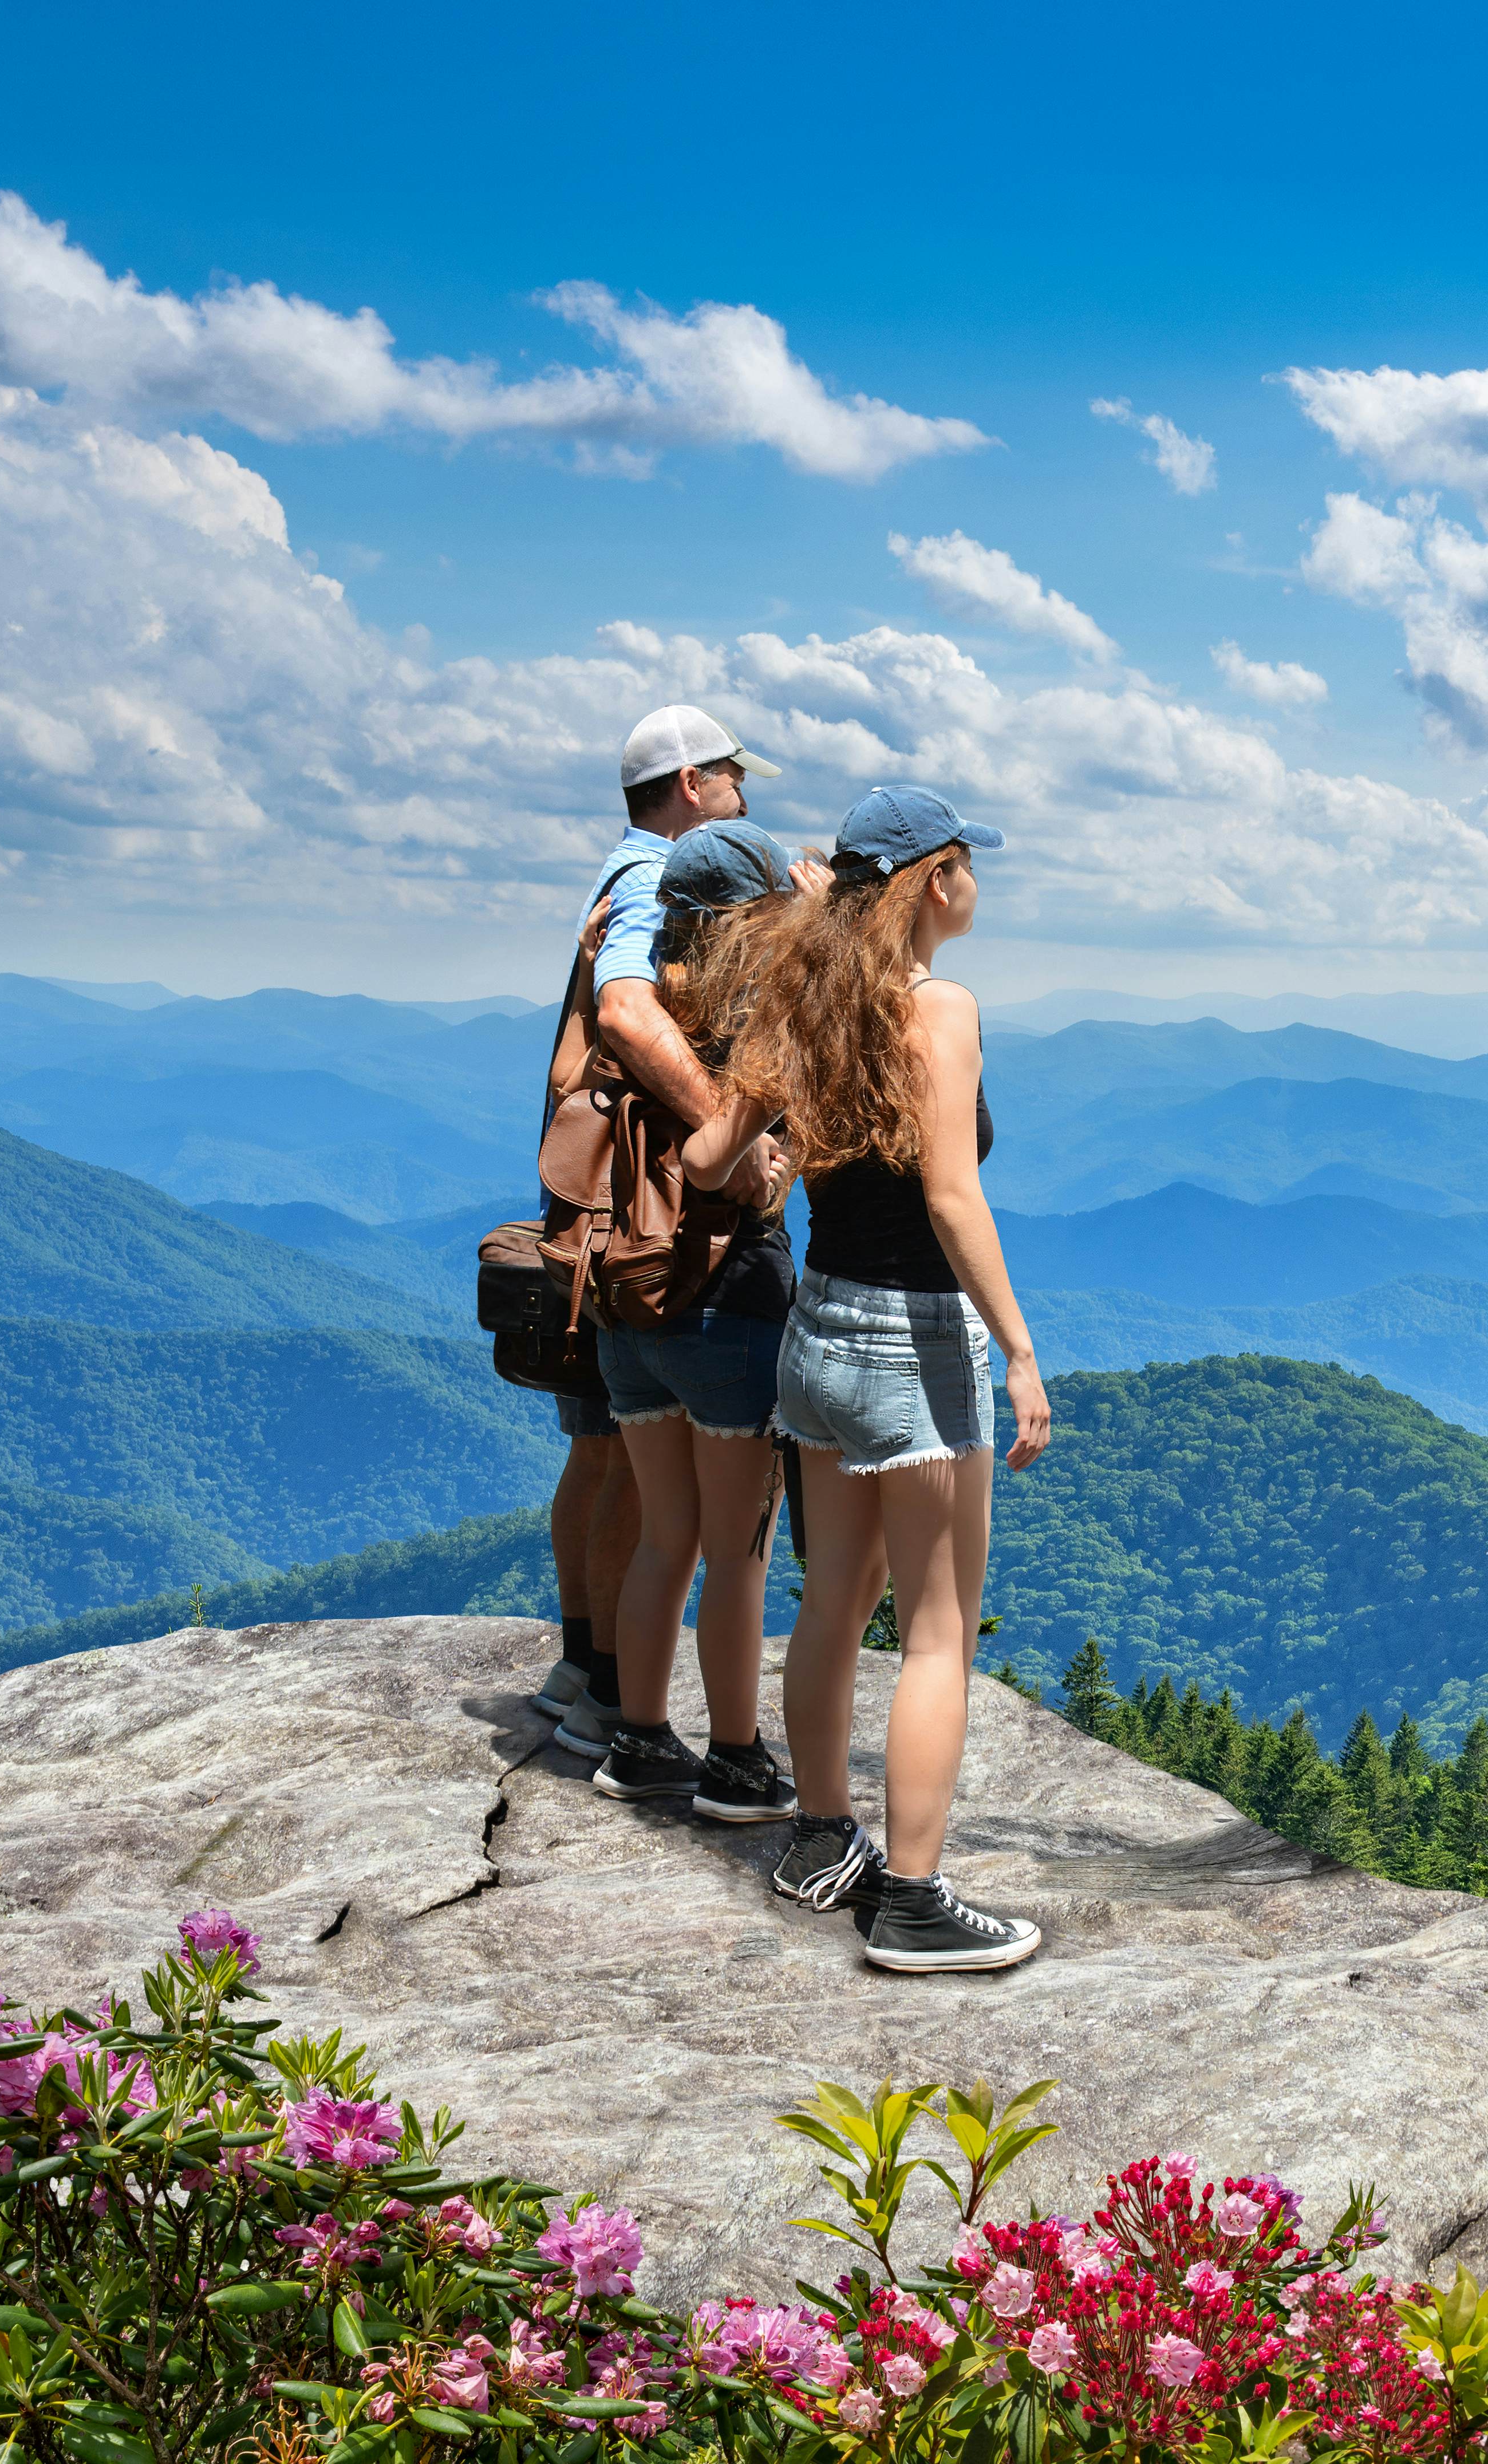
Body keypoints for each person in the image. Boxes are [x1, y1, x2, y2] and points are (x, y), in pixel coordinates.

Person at [687, 783, 1050, 1973]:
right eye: (967, 865)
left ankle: (818, 1836)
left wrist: (779, 1147)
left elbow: (703, 1156)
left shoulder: (800, 996)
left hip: (818, 1332)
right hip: (914, 1342)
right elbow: (951, 1194)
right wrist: (1020, 1348)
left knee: (831, 1602)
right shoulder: (940, 1009)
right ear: (934, 877)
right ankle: (913, 1900)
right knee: (938, 1632)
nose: (976, 885)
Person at [544, 704, 782, 1760]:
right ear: (690, 783)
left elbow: (597, 1039)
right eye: (733, 776)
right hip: (677, 1236)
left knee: (613, 1459)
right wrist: (731, 1138)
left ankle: (595, 1680)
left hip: (598, 1222)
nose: (744, 792)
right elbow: (634, 1015)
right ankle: (654, 1716)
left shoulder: (611, 876)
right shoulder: (656, 880)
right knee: (687, 1512)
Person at [585, 818, 808, 1818]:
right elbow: (759, 1173)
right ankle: (735, 1759)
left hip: (627, 1298)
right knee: (736, 1551)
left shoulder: (638, 1007)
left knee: (662, 1538)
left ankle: (637, 1741)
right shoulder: (751, 1016)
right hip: (730, 1304)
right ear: (751, 915)